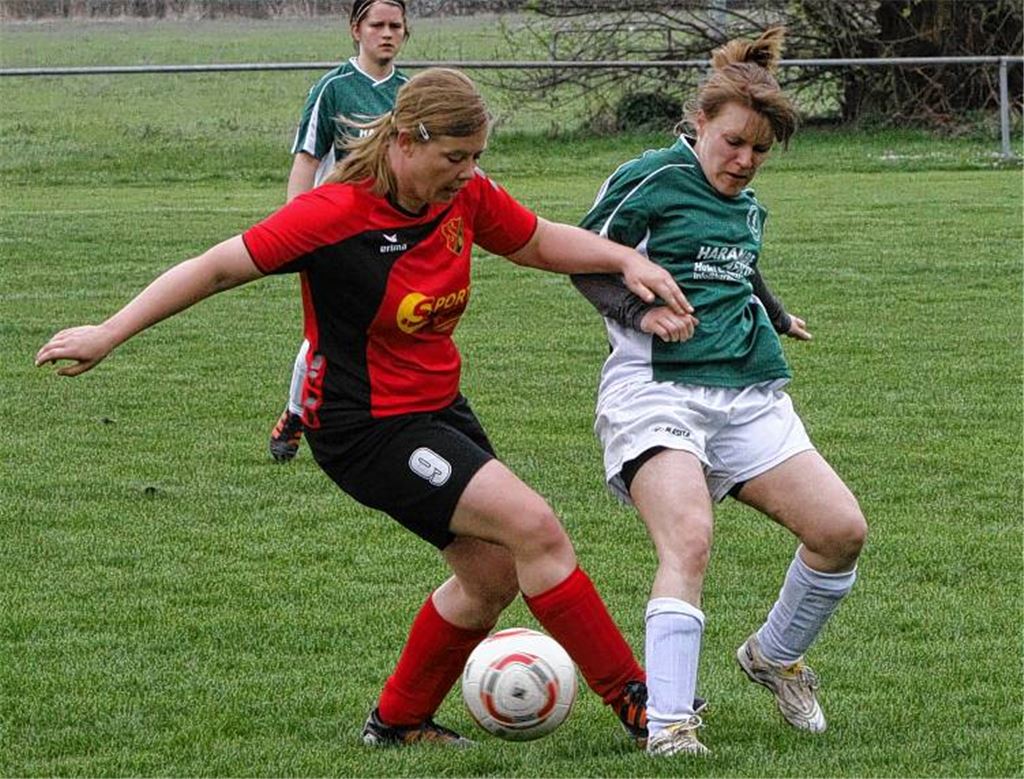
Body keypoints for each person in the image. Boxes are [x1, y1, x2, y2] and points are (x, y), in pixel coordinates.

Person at [36, 68, 696, 750]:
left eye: (476, 158)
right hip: (363, 427)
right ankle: (642, 702)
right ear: (407, 141)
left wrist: (623, 260)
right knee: (536, 527)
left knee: (490, 574)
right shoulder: (334, 213)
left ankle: (398, 722)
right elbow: (217, 267)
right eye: (453, 158)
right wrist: (108, 332)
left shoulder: (462, 195)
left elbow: (533, 239)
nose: (468, 173)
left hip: (438, 409)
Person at [571, 27, 867, 757]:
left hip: (746, 388)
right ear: (699, 122)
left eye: (760, 151)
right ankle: (670, 726)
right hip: (656, 390)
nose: (744, 161)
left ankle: (772, 655)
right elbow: (582, 255)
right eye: (733, 142)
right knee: (689, 538)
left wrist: (772, 311)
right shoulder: (653, 175)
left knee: (839, 531)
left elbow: (738, 262)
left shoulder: (747, 199)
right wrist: (642, 312)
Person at [270, 0, 410, 463]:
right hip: (341, 229)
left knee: (397, 323)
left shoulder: (411, 93)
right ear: (356, 29)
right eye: (377, 25)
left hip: (400, 231)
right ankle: (296, 413)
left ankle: (397, 411)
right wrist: (296, 229)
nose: (386, 34)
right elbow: (308, 160)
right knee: (330, 330)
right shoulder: (333, 88)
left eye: (395, 26)